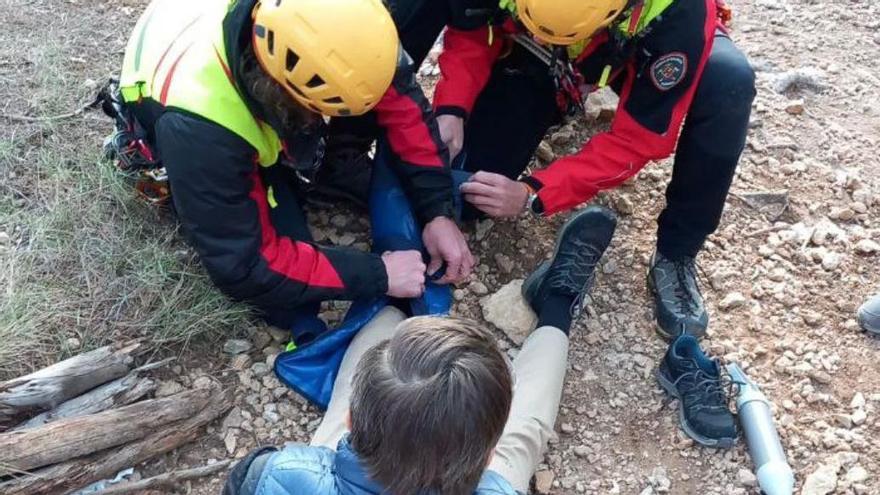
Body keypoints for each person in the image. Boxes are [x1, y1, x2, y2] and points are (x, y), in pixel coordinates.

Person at [112, 0, 473, 342]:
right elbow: (245, 265)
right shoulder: (203, 126)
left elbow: (404, 108)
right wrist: (378, 275)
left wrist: (436, 210)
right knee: (286, 303)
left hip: (218, 47)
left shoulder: (343, 23)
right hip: (181, 119)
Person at [223, 206, 617, 495]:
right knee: (524, 436)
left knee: (369, 383)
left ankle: (399, 293)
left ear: (351, 420)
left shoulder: (272, 474)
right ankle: (558, 302)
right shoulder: (493, 479)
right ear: (485, 458)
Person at [432, 0, 756, 340]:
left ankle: (677, 251)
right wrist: (452, 107)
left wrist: (534, 192)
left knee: (727, 81)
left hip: (637, 39)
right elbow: (472, 25)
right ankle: (546, 68)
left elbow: (637, 141)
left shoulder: (678, 11)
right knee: (471, 190)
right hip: (545, 45)